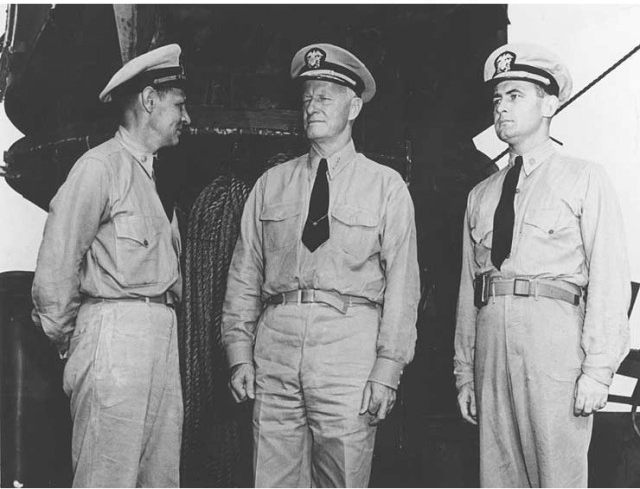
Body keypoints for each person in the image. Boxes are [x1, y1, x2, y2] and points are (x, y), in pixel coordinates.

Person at [222, 43, 420, 487]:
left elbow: (404, 287)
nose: (312, 106)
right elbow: (244, 276)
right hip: (275, 349)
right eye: (307, 97)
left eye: (325, 97)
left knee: (343, 479)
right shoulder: (270, 185)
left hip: (348, 350)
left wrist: (388, 370)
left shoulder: (386, 187)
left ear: (353, 107)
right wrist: (239, 355)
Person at [454, 42, 631, 487]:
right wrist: (465, 373)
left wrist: (598, 370)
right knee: (498, 477)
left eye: (515, 95)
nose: (501, 108)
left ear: (550, 104)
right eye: (497, 98)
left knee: (557, 477)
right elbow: (468, 291)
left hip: (554, 346)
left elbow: (610, 279)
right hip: (492, 346)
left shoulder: (584, 177)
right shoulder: (482, 194)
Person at [31, 44, 191, 487]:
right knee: (107, 477)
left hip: (161, 335)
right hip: (113, 335)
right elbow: (56, 268)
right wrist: (76, 339)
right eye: (179, 104)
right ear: (149, 100)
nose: (186, 116)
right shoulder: (99, 168)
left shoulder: (157, 181)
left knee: (159, 479)